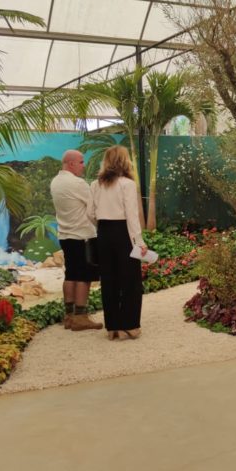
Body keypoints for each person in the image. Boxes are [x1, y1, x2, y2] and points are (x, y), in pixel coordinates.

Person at [90, 145, 148, 340]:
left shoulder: (95, 185)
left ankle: (113, 327)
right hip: (123, 233)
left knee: (109, 280)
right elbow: (132, 215)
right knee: (131, 280)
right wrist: (139, 241)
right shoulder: (127, 184)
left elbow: (90, 213)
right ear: (125, 161)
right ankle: (130, 325)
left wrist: (102, 226)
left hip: (103, 233)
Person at [50, 149, 102, 331]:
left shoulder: (56, 182)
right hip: (83, 237)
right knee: (84, 276)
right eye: (81, 162)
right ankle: (81, 317)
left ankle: (69, 315)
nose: (84, 165)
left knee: (71, 274)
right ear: (71, 163)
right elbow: (95, 205)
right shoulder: (77, 183)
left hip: (65, 236)